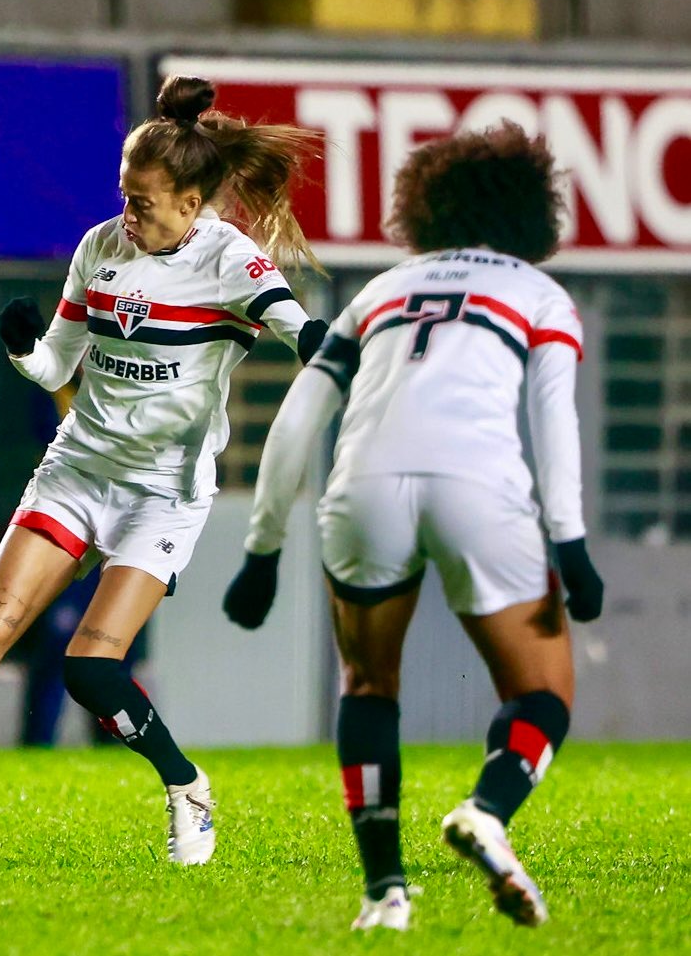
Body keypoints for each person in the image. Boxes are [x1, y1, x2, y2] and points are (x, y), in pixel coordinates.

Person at [0, 76, 329, 867]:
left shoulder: (230, 261)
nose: (127, 214)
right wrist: (19, 347)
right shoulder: (100, 248)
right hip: (76, 470)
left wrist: (320, 346)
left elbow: (293, 323)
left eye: (143, 201)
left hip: (161, 494)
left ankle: (186, 786)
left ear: (192, 201)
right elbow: (55, 366)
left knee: (90, 669)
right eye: (123, 195)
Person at [223, 121, 604, 931]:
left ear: (423, 206)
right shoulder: (539, 295)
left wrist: (261, 550)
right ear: (535, 211)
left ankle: (383, 894)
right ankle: (486, 811)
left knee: (366, 687)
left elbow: (296, 421)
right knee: (542, 689)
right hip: (479, 486)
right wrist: (568, 541)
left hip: (362, 485)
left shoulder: (381, 291)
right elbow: (553, 419)